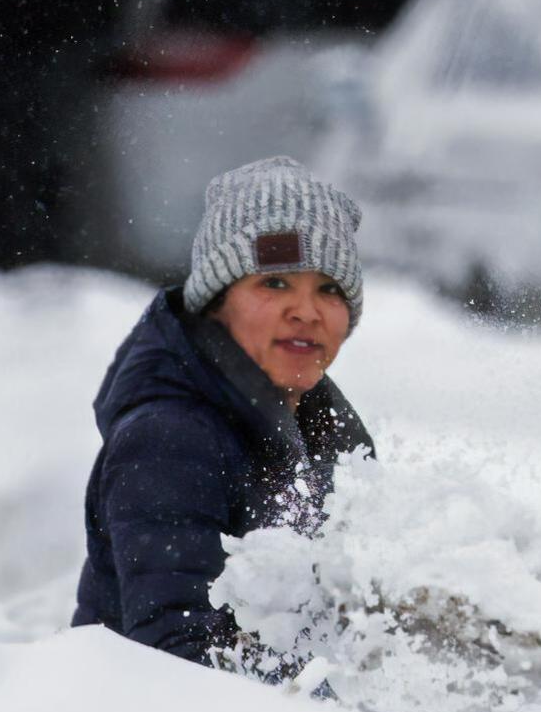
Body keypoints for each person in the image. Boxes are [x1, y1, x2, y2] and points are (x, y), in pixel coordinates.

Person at [72, 156, 374, 671]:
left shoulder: (328, 431)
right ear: (215, 303)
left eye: (329, 288)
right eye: (274, 284)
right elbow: (178, 663)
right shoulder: (170, 439)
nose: (306, 310)